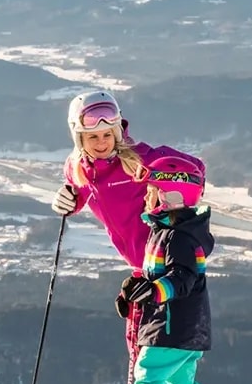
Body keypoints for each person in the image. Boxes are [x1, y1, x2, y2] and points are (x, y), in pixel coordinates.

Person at [111, 156, 231, 384]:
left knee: (149, 375)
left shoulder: (179, 237)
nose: (147, 197)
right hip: (185, 328)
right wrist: (135, 290)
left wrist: (153, 290)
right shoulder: (169, 232)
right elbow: (157, 275)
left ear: (169, 196)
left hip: (171, 328)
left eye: (151, 191)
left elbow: (182, 279)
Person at [50, 90, 204, 271]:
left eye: (107, 135)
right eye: (93, 136)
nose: (101, 143)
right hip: (140, 265)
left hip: (170, 260)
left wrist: (182, 201)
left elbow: (197, 168)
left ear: (116, 132)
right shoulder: (76, 168)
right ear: (79, 139)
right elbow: (81, 192)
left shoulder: (142, 159)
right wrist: (68, 202)